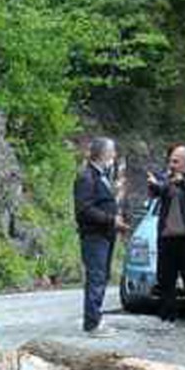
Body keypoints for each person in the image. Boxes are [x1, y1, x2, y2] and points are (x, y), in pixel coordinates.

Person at [148, 145, 185, 329]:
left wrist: (180, 181)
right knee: (166, 279)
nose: (171, 165)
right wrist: (153, 184)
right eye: (170, 161)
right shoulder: (167, 178)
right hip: (167, 237)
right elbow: (159, 192)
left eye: (175, 161)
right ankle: (167, 317)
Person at [74, 137, 127, 333]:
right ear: (103, 153)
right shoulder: (86, 177)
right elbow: (84, 209)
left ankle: (95, 318)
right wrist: (110, 220)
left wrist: (115, 221)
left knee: (102, 276)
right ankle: (92, 323)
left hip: (105, 234)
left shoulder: (102, 175)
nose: (114, 155)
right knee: (96, 277)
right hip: (94, 236)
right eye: (112, 151)